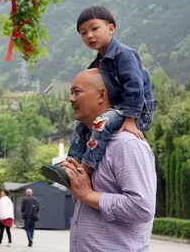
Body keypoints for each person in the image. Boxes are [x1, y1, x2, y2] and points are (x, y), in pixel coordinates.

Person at [43, 6, 156, 187]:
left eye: (94, 29)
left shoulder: (124, 54)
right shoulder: (98, 62)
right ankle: (69, 166)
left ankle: (85, 169)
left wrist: (130, 120)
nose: (89, 36)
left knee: (101, 123)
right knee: (80, 126)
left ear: (111, 28)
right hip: (117, 110)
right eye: (83, 33)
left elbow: (135, 87)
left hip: (137, 113)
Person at [62, 69, 156, 251]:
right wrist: (75, 186)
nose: (71, 99)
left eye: (77, 92)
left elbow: (142, 208)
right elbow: (89, 205)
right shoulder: (86, 144)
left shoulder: (126, 144)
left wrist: (88, 195)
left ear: (101, 95)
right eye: (71, 93)